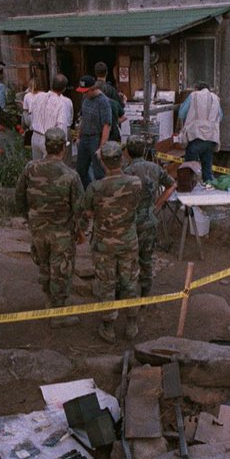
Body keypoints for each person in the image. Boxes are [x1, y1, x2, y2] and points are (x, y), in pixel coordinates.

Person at [15, 126, 85, 327]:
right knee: (61, 271)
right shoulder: (71, 175)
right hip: (61, 232)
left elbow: (19, 197)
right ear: (63, 147)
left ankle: (48, 301)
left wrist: (29, 219)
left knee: (44, 266)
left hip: (38, 228)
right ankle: (59, 314)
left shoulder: (30, 168)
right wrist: (80, 231)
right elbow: (79, 208)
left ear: (46, 146)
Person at [80, 141, 143, 343]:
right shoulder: (135, 183)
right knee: (130, 281)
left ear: (104, 162)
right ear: (121, 159)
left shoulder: (95, 187)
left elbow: (88, 213)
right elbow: (137, 205)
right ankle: (132, 323)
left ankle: (108, 326)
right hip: (128, 241)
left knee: (107, 284)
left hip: (104, 244)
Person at [123, 136, 176, 297]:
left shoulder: (127, 172)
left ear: (127, 152)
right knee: (146, 260)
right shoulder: (155, 168)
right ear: (144, 150)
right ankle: (145, 294)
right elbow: (172, 184)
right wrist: (158, 204)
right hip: (149, 220)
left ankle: (129, 295)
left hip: (130, 223)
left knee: (128, 261)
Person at [177, 81, 223, 184]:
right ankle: (207, 193)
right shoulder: (215, 98)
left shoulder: (193, 96)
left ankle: (191, 194)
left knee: (189, 171)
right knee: (207, 171)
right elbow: (220, 116)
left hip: (195, 137)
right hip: (210, 138)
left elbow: (181, 114)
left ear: (196, 88)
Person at [74, 74, 114, 187]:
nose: (84, 94)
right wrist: (78, 136)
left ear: (93, 89)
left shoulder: (104, 102)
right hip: (84, 137)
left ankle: (101, 196)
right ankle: (88, 192)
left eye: (86, 91)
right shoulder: (85, 99)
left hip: (96, 138)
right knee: (81, 170)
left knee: (99, 172)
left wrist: (102, 147)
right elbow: (82, 119)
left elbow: (107, 125)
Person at [28, 74, 73, 160]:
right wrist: (63, 145)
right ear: (64, 89)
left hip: (35, 137)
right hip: (49, 141)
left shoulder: (38, 97)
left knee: (37, 168)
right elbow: (61, 125)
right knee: (49, 170)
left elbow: (31, 113)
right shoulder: (61, 103)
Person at [93, 62, 125, 145]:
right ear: (107, 72)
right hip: (110, 130)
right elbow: (120, 109)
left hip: (94, 130)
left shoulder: (90, 90)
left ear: (95, 73)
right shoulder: (111, 90)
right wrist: (124, 101)